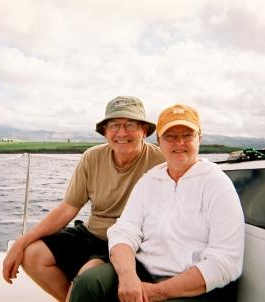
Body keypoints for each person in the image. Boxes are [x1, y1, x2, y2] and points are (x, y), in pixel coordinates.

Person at [70, 104, 245, 302]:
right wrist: (128, 277)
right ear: (159, 141)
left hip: (195, 287)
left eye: (187, 135)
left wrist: (157, 291)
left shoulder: (217, 184)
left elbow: (226, 261)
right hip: (143, 271)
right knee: (88, 283)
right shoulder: (149, 181)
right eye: (170, 136)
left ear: (199, 139)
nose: (179, 143)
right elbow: (124, 231)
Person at [2, 96, 165, 301]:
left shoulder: (160, 162)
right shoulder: (92, 157)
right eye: (114, 125)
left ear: (143, 130)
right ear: (105, 131)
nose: (121, 133)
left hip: (127, 242)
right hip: (91, 233)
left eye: (130, 125)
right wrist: (20, 243)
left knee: (86, 275)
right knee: (32, 254)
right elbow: (68, 208)